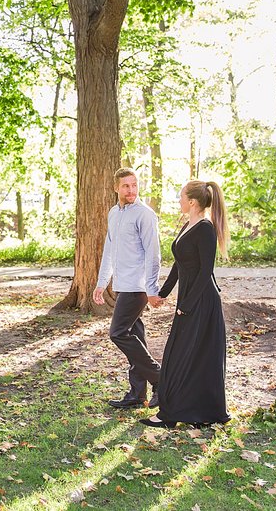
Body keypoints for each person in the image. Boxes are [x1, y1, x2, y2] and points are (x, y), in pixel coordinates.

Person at [140, 180, 231, 429]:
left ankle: (173, 413)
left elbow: (205, 272)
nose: (179, 201)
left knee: (187, 355)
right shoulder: (187, 225)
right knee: (185, 355)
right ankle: (186, 412)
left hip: (202, 302)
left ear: (192, 202)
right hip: (189, 300)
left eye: (181, 197)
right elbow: (180, 265)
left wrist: (187, 305)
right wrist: (163, 293)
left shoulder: (205, 228)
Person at [94, 168, 163, 409]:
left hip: (138, 286)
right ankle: (137, 394)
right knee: (136, 336)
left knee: (118, 333)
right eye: (126, 186)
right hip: (123, 285)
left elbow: (153, 254)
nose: (131, 190)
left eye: (134, 185)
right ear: (116, 188)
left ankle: (160, 378)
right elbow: (109, 251)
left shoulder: (145, 214)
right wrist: (102, 283)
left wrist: (152, 288)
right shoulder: (114, 213)